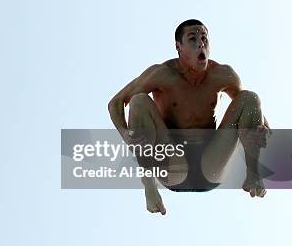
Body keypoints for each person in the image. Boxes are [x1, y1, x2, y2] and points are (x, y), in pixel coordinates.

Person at [108, 19, 270, 215]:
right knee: (138, 101)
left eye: (204, 38)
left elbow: (252, 108)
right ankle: (149, 185)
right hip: (172, 163)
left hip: (211, 164)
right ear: (179, 47)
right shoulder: (161, 74)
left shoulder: (223, 75)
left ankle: (253, 174)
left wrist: (265, 128)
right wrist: (126, 135)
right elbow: (115, 103)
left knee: (250, 97)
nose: (201, 43)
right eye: (192, 39)